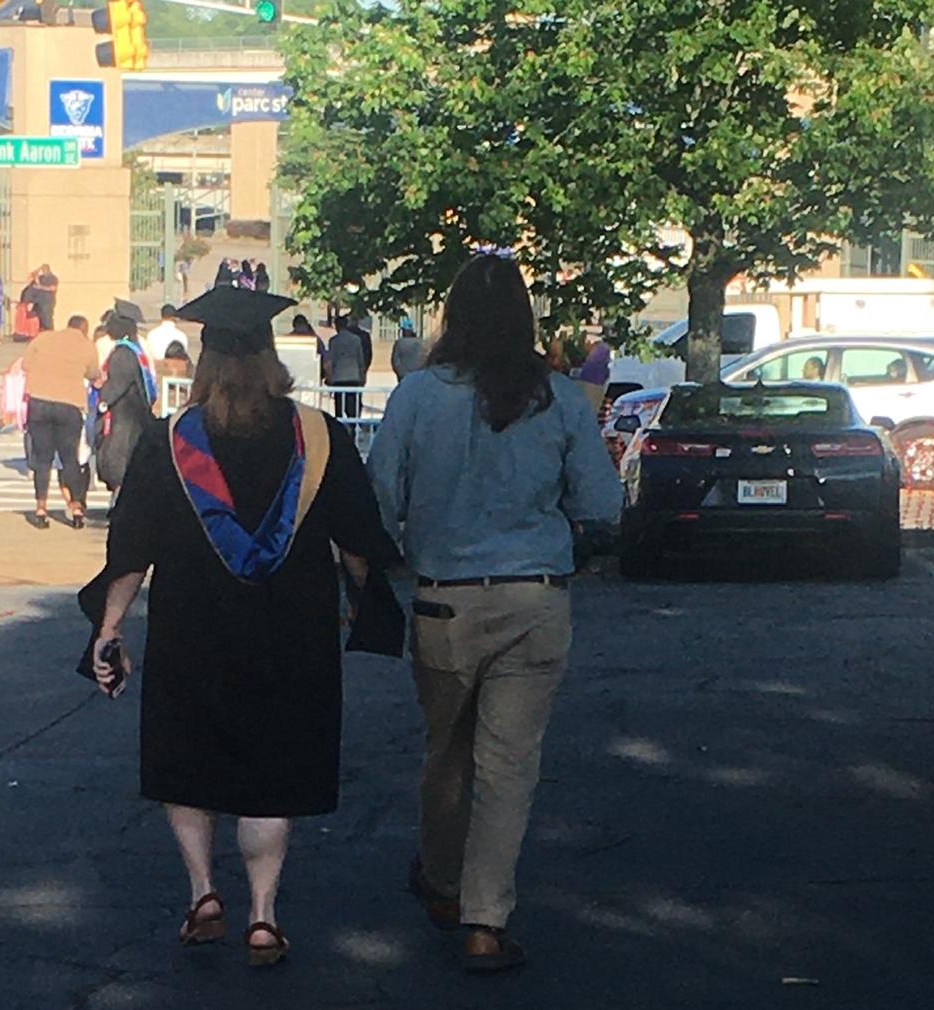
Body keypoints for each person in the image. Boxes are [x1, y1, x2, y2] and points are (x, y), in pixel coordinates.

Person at [81, 285, 399, 967]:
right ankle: (263, 913)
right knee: (273, 765)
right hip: (292, 629)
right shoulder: (318, 436)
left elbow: (131, 547)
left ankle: (202, 892)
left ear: (204, 361)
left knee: (188, 757)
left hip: (192, 629)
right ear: (270, 358)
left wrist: (110, 628)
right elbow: (359, 539)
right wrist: (365, 603)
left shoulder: (171, 443)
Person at [367, 252, 623, 973]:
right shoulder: (563, 399)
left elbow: (380, 496)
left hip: (444, 596)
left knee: (445, 752)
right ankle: (486, 920)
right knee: (508, 766)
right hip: (534, 596)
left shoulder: (417, 396)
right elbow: (602, 505)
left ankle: (443, 883)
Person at [21, 312, 97, 528]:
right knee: (69, 459)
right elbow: (93, 373)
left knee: (42, 459)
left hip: (39, 402)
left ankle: (41, 508)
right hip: (69, 405)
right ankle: (76, 509)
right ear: (84, 329)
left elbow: (26, 364)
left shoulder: (44, 338)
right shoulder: (87, 346)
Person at [93, 311, 156, 496]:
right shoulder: (133, 350)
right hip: (131, 410)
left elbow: (119, 382)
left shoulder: (123, 353)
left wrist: (103, 401)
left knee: (118, 455)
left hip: (124, 413)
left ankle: (120, 496)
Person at [326, 313, 368, 420]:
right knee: (352, 405)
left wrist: (329, 377)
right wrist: (362, 376)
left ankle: (341, 426)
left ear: (336, 326)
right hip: (353, 376)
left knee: (339, 407)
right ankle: (353, 428)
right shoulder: (356, 339)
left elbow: (330, 360)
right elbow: (360, 359)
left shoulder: (334, 341)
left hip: (339, 377)